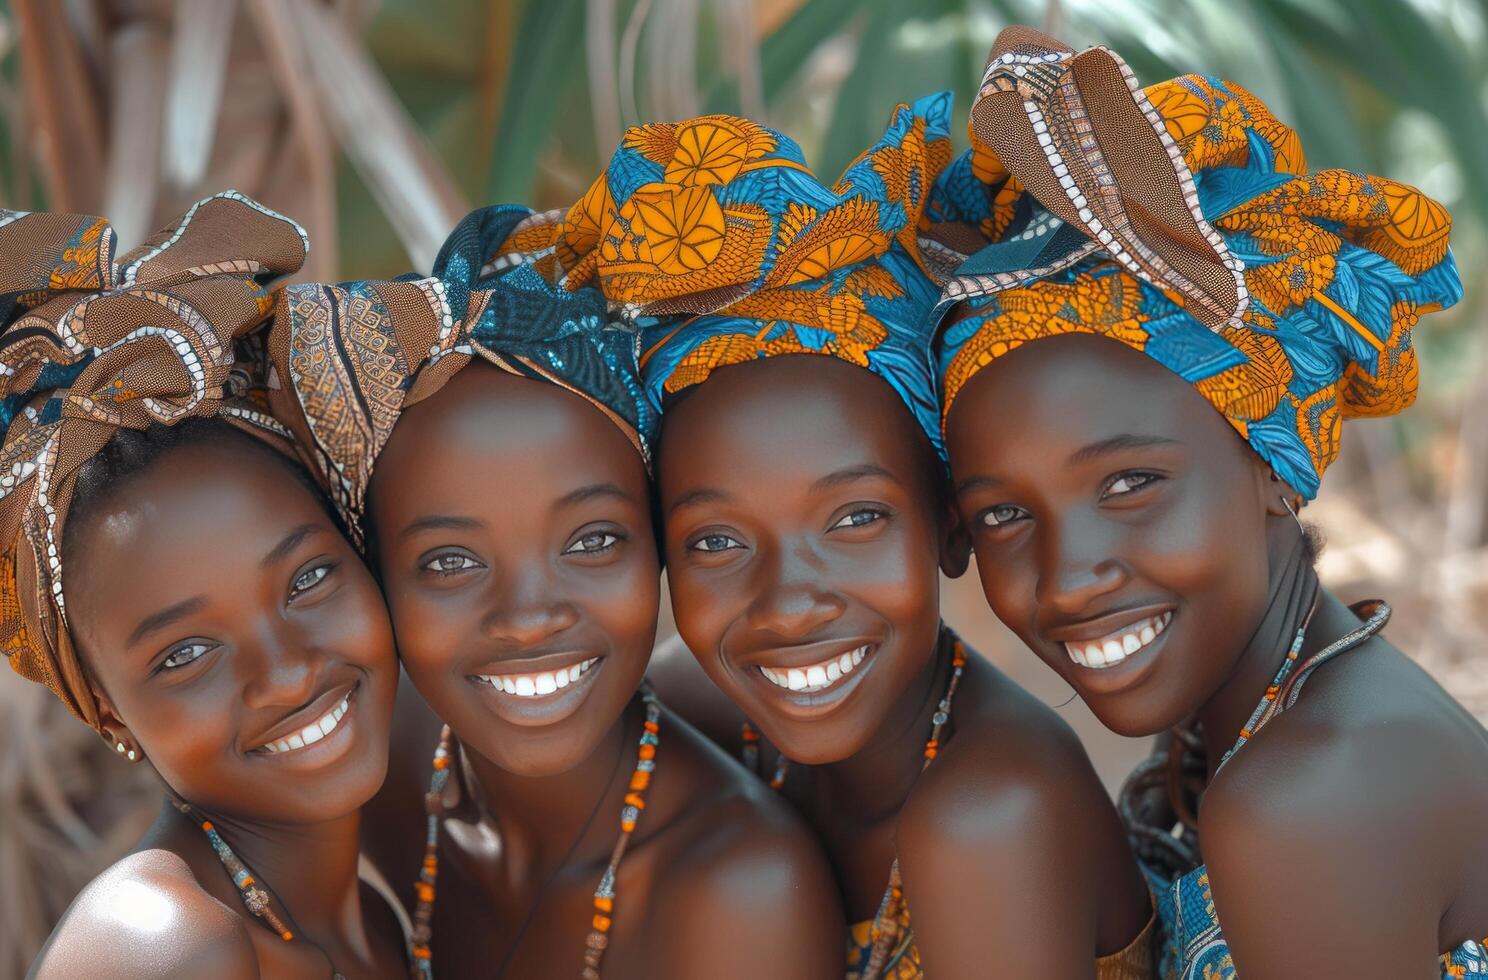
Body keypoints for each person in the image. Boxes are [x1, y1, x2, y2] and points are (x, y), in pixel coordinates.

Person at [516, 97, 1156, 977]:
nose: (788, 603)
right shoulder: (707, 719)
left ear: (949, 525)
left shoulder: (989, 812)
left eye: (855, 519)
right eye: (715, 542)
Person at [933, 27, 1484, 979]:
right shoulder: (1259, 726)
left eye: (1129, 483)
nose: (1070, 578)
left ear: (1274, 463)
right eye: (1004, 516)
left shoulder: (1307, 794)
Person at [267, 203, 842, 979]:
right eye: (449, 563)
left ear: (661, 545)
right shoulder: (376, 761)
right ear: (373, 578)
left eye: (593, 541)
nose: (529, 618)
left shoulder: (737, 892)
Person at [8, 194, 409, 979]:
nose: (288, 672)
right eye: (186, 651)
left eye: (309, 579)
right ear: (108, 708)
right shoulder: (163, 945)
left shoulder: (379, 922)